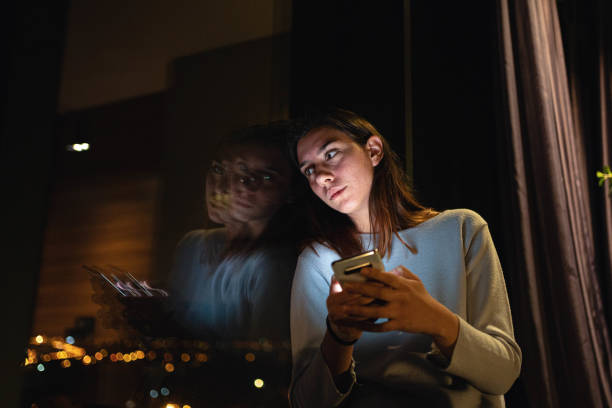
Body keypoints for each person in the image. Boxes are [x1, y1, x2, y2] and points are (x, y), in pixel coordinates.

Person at [289, 109, 521, 407]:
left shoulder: (461, 229)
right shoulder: (319, 259)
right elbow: (305, 403)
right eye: (308, 170)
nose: (321, 176)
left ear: (373, 151)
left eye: (331, 154)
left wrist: (435, 320)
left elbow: (502, 374)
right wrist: (339, 337)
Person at [166, 122, 304, 341]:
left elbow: (264, 359)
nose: (225, 186)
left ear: (290, 191)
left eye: (265, 177)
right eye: (219, 170)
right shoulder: (193, 247)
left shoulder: (275, 265)